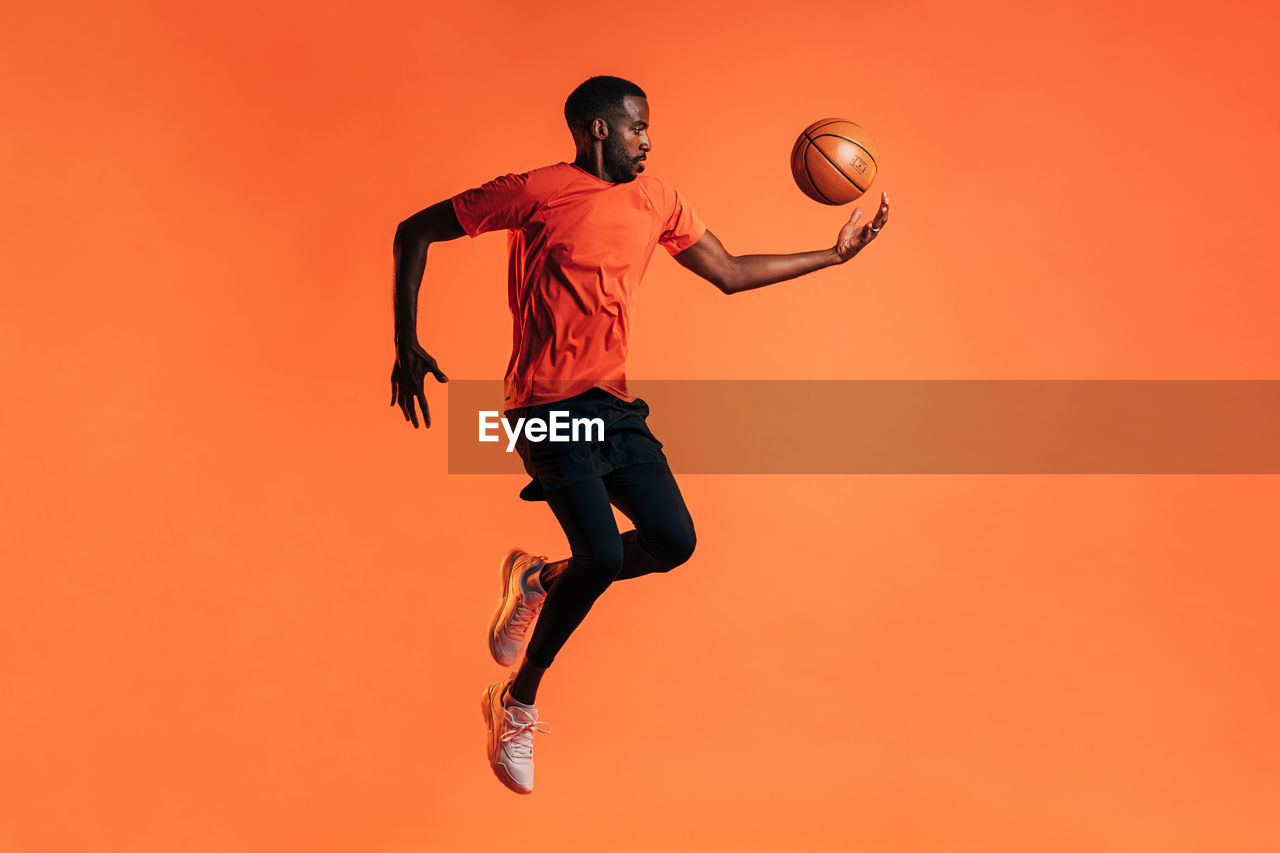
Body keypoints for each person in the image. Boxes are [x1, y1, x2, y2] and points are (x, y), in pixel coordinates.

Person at [390, 76, 889, 794]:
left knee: (673, 540)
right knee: (597, 551)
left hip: (612, 406)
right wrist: (406, 342)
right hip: (545, 404)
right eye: (636, 128)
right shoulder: (536, 190)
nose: (648, 140)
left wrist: (834, 255)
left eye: (648, 128)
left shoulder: (659, 200)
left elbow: (730, 272)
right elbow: (415, 230)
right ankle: (517, 700)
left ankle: (537, 578)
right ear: (598, 130)